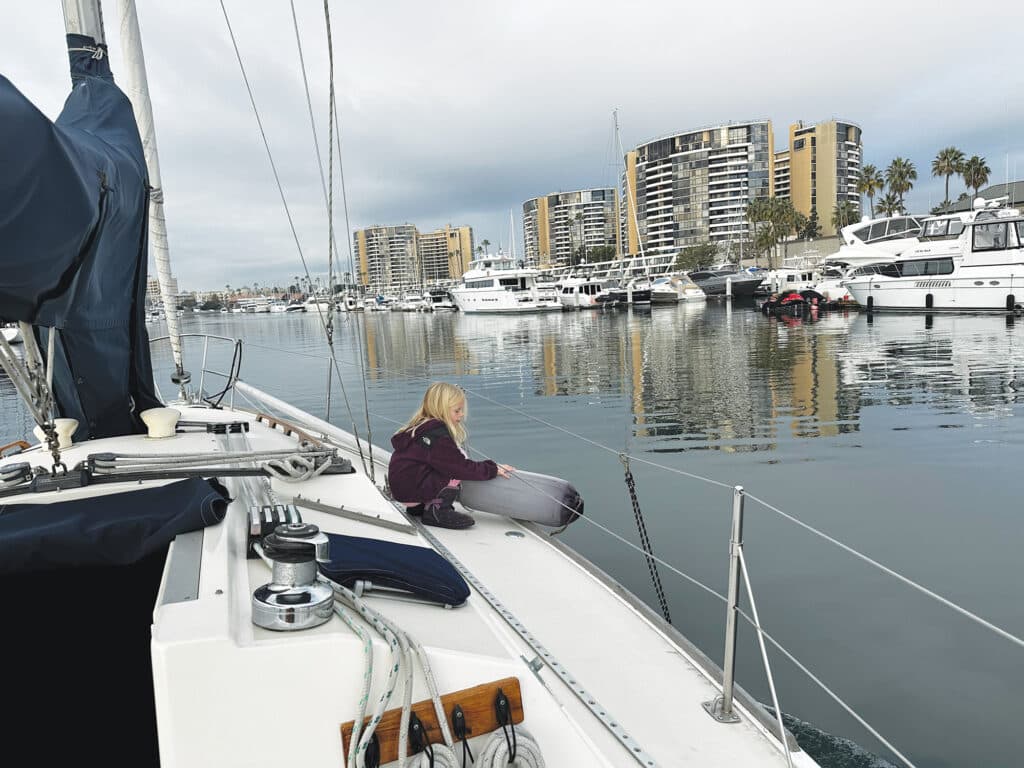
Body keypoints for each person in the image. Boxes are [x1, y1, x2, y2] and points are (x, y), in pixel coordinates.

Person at [388, 382, 514, 529]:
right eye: (457, 411)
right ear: (441, 410)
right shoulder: (438, 437)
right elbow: (460, 467)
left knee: (445, 461)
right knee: (455, 463)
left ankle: (420, 508)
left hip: (403, 490)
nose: (462, 414)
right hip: (412, 492)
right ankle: (437, 512)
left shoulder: (420, 428)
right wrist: (492, 469)